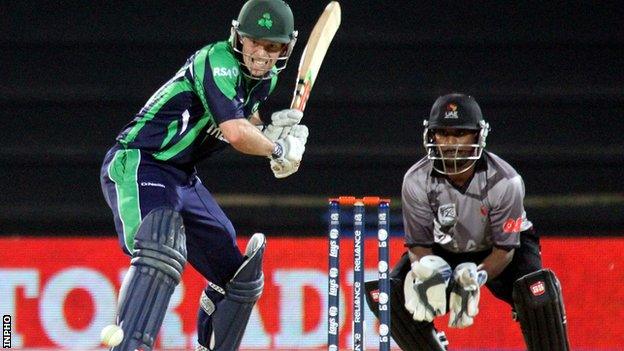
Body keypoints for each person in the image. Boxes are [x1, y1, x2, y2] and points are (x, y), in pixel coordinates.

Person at [99, 1, 307, 350]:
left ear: (285, 49)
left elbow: (247, 121)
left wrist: (272, 132)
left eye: (271, 46)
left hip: (182, 177)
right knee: (159, 243)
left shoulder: (265, 81)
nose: (260, 53)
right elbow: (237, 132)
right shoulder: (217, 60)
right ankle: (129, 344)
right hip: (141, 161)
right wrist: (277, 150)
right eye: (253, 41)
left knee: (238, 280)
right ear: (238, 38)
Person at [365, 93, 570, 351]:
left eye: (460, 133)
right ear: (431, 136)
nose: (451, 143)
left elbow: (504, 251)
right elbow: (418, 246)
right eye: (443, 133)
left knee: (537, 291)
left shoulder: (505, 181)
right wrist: (427, 269)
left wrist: (477, 276)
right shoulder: (416, 180)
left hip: (500, 250)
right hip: (446, 246)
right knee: (384, 295)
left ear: (477, 135)